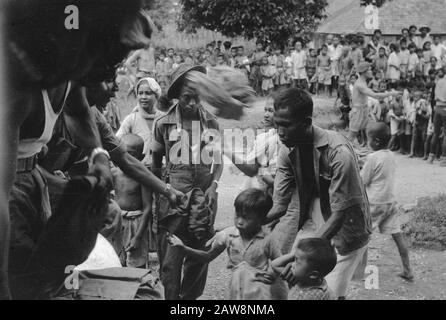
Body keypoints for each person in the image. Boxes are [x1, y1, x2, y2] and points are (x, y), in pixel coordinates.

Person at [266, 87, 372, 299]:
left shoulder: (339, 154)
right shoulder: (287, 149)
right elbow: (279, 205)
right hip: (315, 224)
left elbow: (339, 216)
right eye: (277, 124)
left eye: (286, 125)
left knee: (329, 292)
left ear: (306, 123)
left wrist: (298, 256)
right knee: (301, 286)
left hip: (345, 231)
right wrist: (248, 221)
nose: (279, 132)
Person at [152, 64, 223, 300]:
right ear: (177, 97)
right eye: (186, 98)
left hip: (203, 199)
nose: (192, 103)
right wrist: (162, 192)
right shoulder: (163, 123)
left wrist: (213, 186)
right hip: (173, 200)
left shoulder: (211, 122)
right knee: (171, 261)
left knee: (198, 256)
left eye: (196, 98)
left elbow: (218, 162)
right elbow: (155, 163)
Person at [168, 188, 287, 300]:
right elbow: (207, 256)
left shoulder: (267, 240)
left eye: (246, 218)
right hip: (236, 291)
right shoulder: (229, 236)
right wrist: (184, 248)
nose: (239, 221)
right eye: (237, 215)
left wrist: (272, 273)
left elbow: (281, 263)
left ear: (261, 219)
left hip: (260, 293)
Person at [361, 123, 414, 281]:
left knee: (363, 236)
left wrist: (359, 169)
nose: (367, 142)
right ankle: (408, 270)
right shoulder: (391, 155)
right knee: (398, 236)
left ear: (376, 141)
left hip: (374, 204)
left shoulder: (372, 158)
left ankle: (359, 271)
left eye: (368, 139)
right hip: (390, 202)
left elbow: (363, 181)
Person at [112, 134, 152, 268]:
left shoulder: (142, 176)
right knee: (116, 260)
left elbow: (147, 208)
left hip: (136, 223)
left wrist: (138, 237)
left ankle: (139, 288)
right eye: (123, 153)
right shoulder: (114, 173)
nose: (126, 159)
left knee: (136, 263)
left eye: (131, 155)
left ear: (140, 158)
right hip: (118, 222)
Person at [347, 62, 400, 146]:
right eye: (369, 70)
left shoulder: (363, 82)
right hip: (358, 112)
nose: (371, 72)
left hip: (364, 110)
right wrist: (391, 93)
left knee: (371, 130)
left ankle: (366, 147)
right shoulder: (360, 84)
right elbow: (375, 95)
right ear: (364, 72)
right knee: (351, 135)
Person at [116, 78, 164, 166]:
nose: (143, 97)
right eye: (140, 93)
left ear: (156, 95)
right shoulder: (131, 119)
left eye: (148, 93)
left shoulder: (163, 119)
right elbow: (117, 142)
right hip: (138, 169)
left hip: (161, 168)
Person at [271, 238, 337, 300]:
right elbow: (274, 265)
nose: (292, 264)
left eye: (297, 261)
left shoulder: (313, 296)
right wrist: (295, 254)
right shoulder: (304, 277)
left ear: (313, 274)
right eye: (294, 259)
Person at [428, 66, 446, 165]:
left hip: (437, 108)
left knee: (435, 133)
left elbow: (433, 98)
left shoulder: (438, 82)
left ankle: (431, 157)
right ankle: (444, 159)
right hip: (444, 108)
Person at [409, 91, 431, 157]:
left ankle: (425, 154)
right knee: (414, 137)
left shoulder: (423, 102)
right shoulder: (414, 103)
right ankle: (412, 152)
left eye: (417, 96)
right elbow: (413, 113)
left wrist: (420, 113)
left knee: (424, 138)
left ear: (420, 96)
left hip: (423, 122)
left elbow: (426, 114)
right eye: (414, 96)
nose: (415, 97)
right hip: (417, 121)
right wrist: (413, 120)